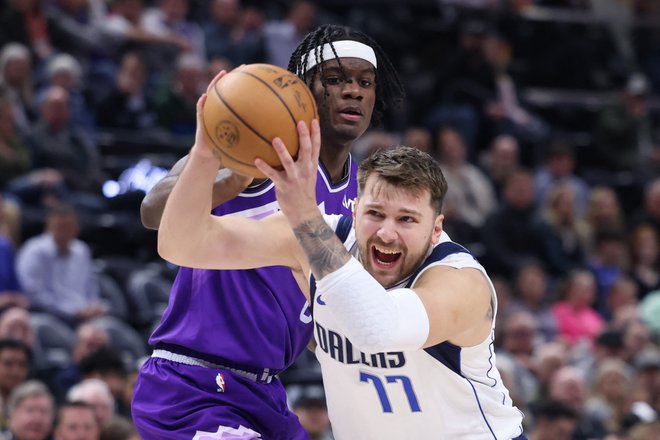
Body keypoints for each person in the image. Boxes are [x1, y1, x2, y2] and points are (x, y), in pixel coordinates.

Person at [156, 108, 524, 438]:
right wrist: (204, 156)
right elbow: (179, 243)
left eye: (407, 220)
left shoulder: (460, 282)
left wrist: (304, 215)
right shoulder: (322, 238)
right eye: (375, 213)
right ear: (355, 207)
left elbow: (379, 329)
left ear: (436, 229)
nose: (386, 232)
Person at [132, 24, 404, 439]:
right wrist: (232, 177)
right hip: (195, 383)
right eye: (335, 79)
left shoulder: (359, 191)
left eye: (365, 82)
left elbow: (320, 304)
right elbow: (153, 210)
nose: (354, 91)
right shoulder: (254, 149)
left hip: (265, 390)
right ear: (303, 90)